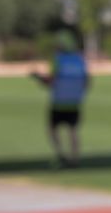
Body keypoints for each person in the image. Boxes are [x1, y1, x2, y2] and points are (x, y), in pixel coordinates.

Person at [31, 28, 88, 168]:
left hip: (59, 102)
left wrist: (38, 77)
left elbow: (51, 80)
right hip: (75, 101)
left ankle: (61, 155)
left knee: (52, 129)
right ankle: (75, 159)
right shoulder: (79, 60)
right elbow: (87, 81)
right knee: (73, 131)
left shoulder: (58, 60)